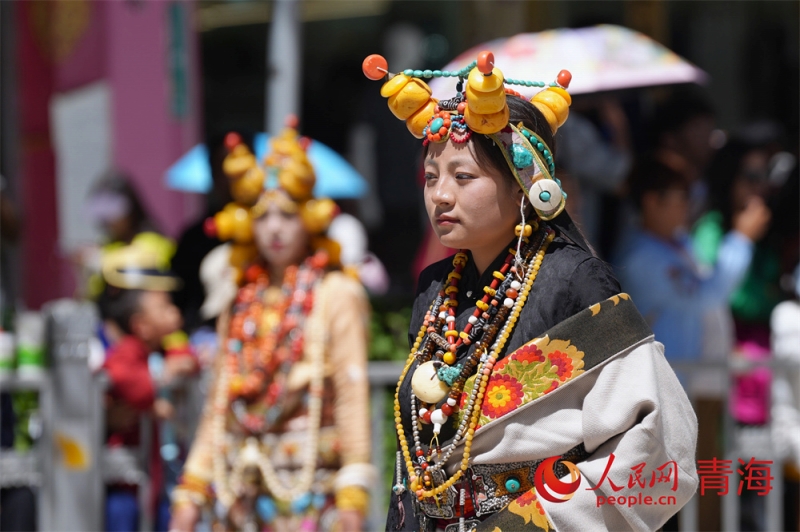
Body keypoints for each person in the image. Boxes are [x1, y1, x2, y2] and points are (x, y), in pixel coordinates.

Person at [362, 52, 697, 531]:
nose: (439, 195)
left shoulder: (575, 280)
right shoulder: (434, 290)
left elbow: (661, 443)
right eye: (431, 177)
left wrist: (546, 518)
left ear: (526, 186)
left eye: (463, 177)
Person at [169, 124, 375, 532]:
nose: (275, 228)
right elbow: (219, 398)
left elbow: (352, 391)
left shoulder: (337, 292)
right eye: (263, 217)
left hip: (309, 487)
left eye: (287, 214)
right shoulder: (239, 292)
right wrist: (191, 488)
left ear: (310, 219)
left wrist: (354, 488)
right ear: (246, 223)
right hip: (238, 491)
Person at [617, 156, 769, 368]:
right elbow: (704, 298)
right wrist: (740, 240)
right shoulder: (640, 258)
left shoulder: (679, 241)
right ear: (651, 201)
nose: (687, 203)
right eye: (682, 195)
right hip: (661, 382)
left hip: (686, 378)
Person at [98, 243, 198, 532]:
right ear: (140, 323)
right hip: (124, 476)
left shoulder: (162, 347)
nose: (174, 312)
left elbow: (187, 358)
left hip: (154, 473)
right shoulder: (127, 350)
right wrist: (157, 384)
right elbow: (123, 377)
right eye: (163, 305)